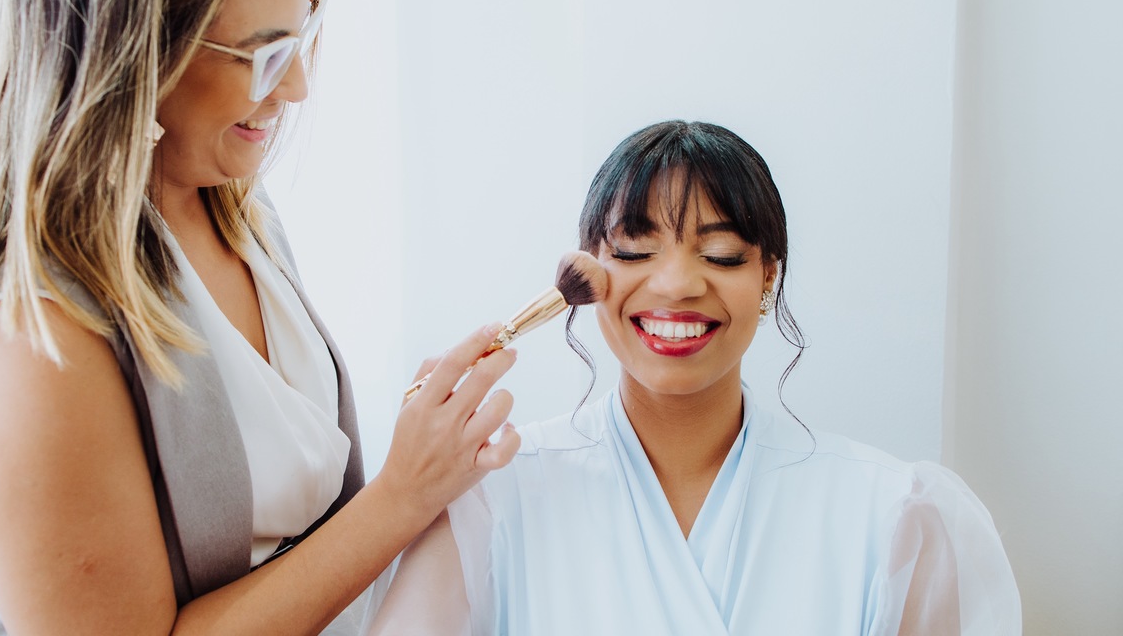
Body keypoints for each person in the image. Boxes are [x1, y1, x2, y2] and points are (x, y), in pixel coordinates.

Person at [0, 0, 520, 633]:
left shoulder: (234, 208)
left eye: (302, 38)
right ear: (133, 49)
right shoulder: (25, 344)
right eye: (263, 55)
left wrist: (425, 451)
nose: (296, 88)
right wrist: (404, 495)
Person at [363, 120, 1022, 635]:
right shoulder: (490, 504)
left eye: (722, 254)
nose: (677, 284)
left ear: (767, 276)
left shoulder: (896, 516)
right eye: (635, 249)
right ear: (587, 271)